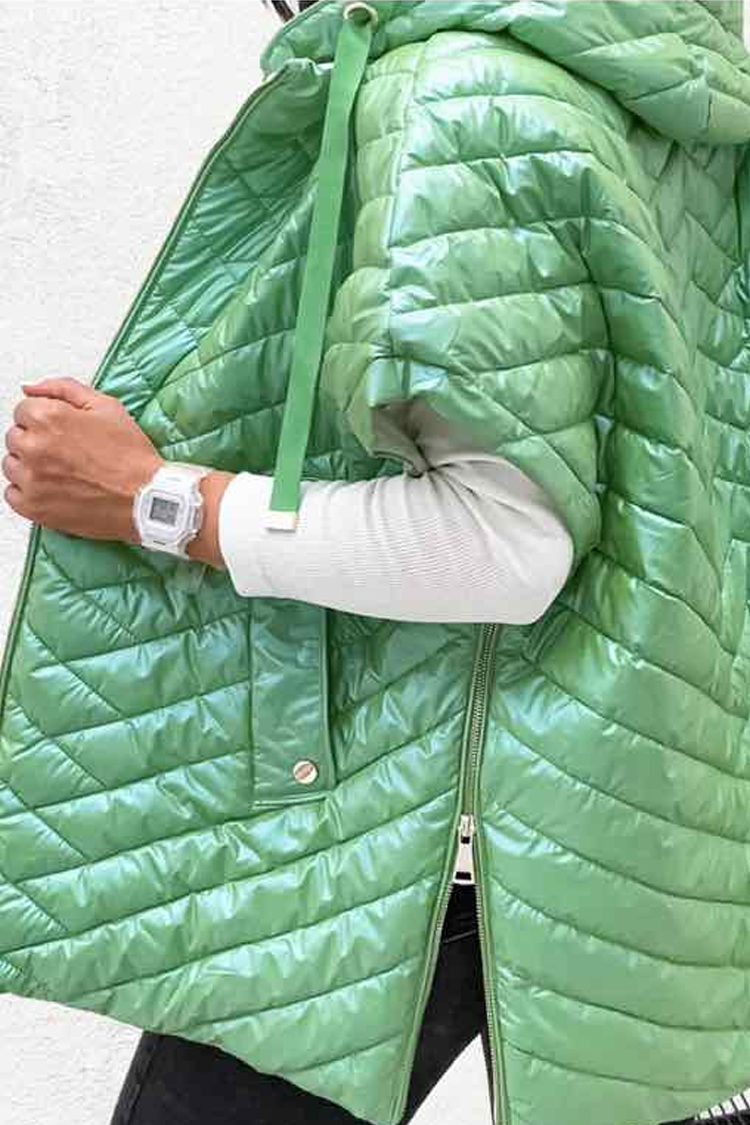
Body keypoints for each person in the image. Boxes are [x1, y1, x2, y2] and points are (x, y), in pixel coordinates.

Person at [3, 2, 750, 1124]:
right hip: (641, 803)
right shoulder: (660, 77)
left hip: (441, 831)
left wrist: (153, 500)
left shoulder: (459, 95)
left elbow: (501, 544)